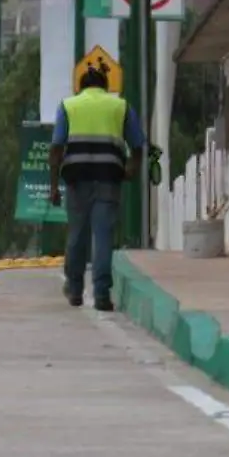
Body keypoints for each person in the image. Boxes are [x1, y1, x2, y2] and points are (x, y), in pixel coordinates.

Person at [48, 68, 144, 313]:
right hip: (109, 178)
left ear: (81, 87)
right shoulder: (120, 106)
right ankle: (102, 294)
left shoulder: (68, 106)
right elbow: (138, 145)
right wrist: (132, 169)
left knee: (77, 234)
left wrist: (53, 187)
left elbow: (56, 148)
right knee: (102, 236)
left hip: (76, 179)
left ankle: (75, 289)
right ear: (105, 86)